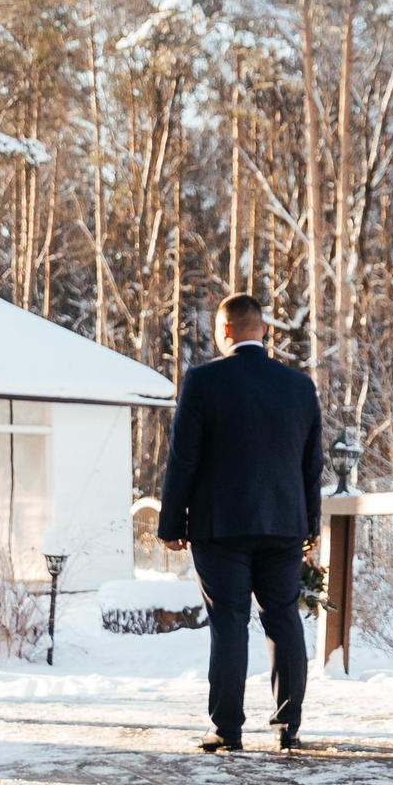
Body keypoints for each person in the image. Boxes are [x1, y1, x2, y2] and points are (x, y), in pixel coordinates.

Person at [157, 293, 323, 754]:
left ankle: (227, 730)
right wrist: (311, 524)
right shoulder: (298, 387)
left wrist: (172, 522)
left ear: (223, 331)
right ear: (263, 330)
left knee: (228, 622)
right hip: (284, 525)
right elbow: (313, 465)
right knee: (283, 618)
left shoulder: (204, 381)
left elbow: (183, 459)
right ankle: (288, 727)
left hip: (220, 526)